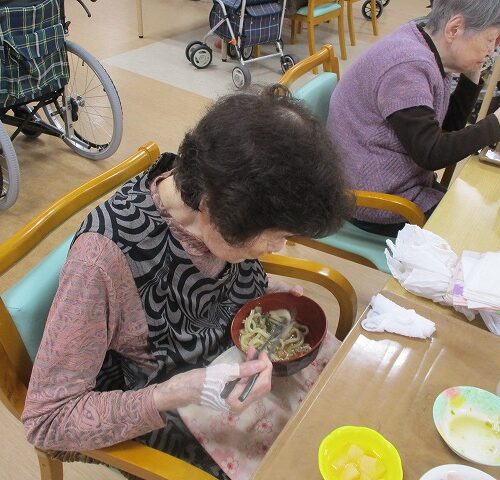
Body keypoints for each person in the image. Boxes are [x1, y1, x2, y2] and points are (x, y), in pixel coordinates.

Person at [21, 88, 353, 479]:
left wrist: (263, 294)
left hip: (235, 362)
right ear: (210, 209)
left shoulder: (221, 186)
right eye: (274, 236)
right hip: (166, 405)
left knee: (348, 401)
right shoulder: (102, 261)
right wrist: (175, 392)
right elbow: (47, 422)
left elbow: (215, 282)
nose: (278, 247)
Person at [327, 0, 500, 237]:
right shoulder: (408, 66)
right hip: (374, 198)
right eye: (490, 40)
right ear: (454, 29)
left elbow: (448, 124)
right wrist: (496, 123)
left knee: (482, 212)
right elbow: (431, 153)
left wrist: (473, 68)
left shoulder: (427, 45)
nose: (492, 50)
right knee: (478, 230)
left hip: (399, 182)